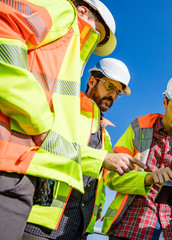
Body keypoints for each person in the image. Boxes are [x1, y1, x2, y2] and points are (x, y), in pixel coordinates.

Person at [0, 0, 118, 239]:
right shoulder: (64, 10)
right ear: (83, 10)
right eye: (96, 33)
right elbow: (5, 23)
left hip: (25, 170)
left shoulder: (101, 125)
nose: (89, 41)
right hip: (12, 163)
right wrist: (40, 122)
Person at [22, 58, 146, 240]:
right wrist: (101, 159)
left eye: (117, 92)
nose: (113, 95)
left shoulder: (105, 135)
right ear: (92, 81)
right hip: (40, 225)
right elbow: (49, 147)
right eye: (110, 87)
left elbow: (100, 184)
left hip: (78, 229)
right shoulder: (64, 108)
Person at [101, 74, 172, 240]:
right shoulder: (138, 128)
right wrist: (147, 178)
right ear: (165, 102)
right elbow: (111, 178)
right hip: (131, 227)